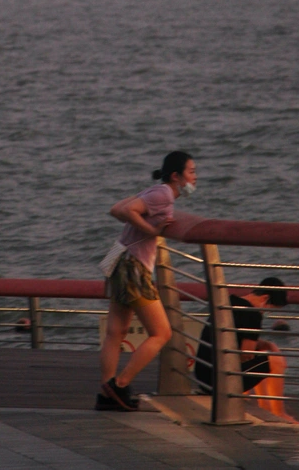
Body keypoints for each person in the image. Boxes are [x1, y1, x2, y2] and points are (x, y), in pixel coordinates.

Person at [97, 150, 197, 411]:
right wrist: (152, 230)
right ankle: (120, 384)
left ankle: (107, 393)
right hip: (134, 267)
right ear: (176, 176)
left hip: (120, 260)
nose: (195, 177)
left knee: (115, 332)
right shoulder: (163, 194)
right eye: (191, 172)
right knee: (161, 332)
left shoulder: (154, 191)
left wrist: (143, 220)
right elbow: (126, 210)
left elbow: (117, 209)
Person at [194, 277, 298, 423]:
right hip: (220, 382)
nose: (265, 312)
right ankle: (278, 412)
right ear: (265, 298)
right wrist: (269, 350)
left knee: (262, 357)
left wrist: (267, 345)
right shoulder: (252, 314)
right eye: (269, 308)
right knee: (275, 361)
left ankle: (264, 406)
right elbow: (246, 355)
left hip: (203, 376)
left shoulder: (229, 302)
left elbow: (236, 340)